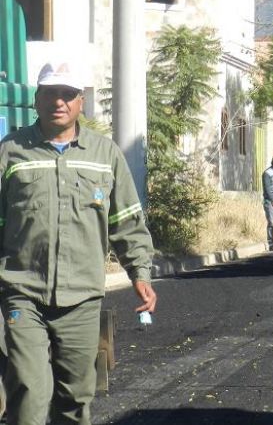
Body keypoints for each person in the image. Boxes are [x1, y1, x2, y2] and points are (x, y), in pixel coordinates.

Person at [0, 60, 157, 424]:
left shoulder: (105, 155)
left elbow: (126, 222)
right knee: (28, 391)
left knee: (75, 399)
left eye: (68, 94)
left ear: (80, 102)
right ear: (37, 99)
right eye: (51, 93)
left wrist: (140, 274)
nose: (59, 101)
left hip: (82, 298)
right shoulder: (10, 152)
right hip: (22, 293)